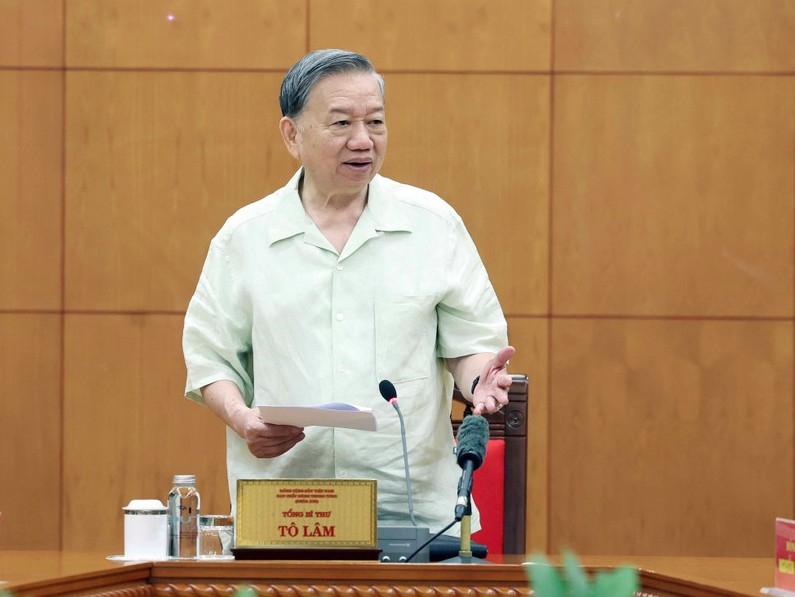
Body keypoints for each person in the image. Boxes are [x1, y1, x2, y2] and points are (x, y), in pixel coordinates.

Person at [182, 49, 515, 533]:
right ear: (292, 134)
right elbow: (211, 356)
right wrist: (241, 418)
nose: (363, 140)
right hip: (288, 508)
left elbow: (470, 344)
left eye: (375, 122)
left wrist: (478, 378)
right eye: (341, 124)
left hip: (408, 506)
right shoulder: (245, 236)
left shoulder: (433, 225)